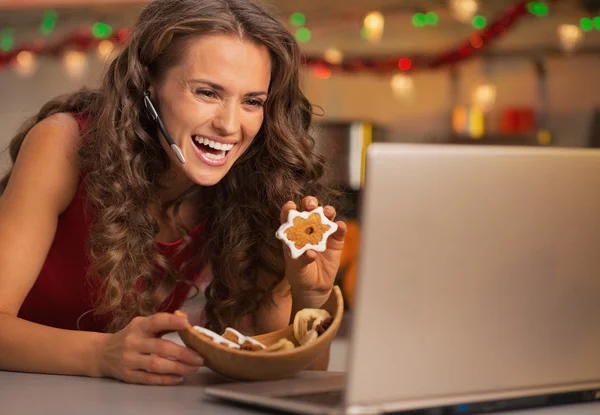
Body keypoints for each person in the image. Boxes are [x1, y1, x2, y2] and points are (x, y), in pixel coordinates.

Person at [0, 0, 346, 386]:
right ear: (149, 82)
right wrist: (101, 354)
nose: (230, 126)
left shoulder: (255, 188)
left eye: (252, 101)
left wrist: (311, 296)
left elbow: (297, 378)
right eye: (207, 93)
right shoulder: (63, 142)